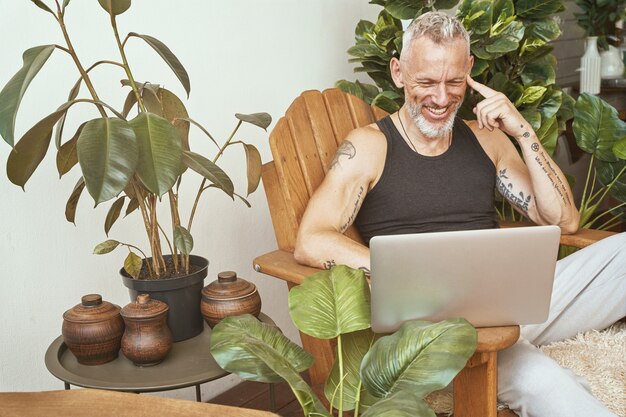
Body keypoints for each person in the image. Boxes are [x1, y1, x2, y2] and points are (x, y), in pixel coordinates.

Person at [293, 11, 626, 417]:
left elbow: (563, 221)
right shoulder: (369, 146)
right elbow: (311, 239)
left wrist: (522, 132)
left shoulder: (487, 140)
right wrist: (406, 271)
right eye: (426, 82)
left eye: (453, 82)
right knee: (543, 382)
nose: (440, 98)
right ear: (398, 73)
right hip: (432, 330)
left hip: (505, 302)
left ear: (469, 70)